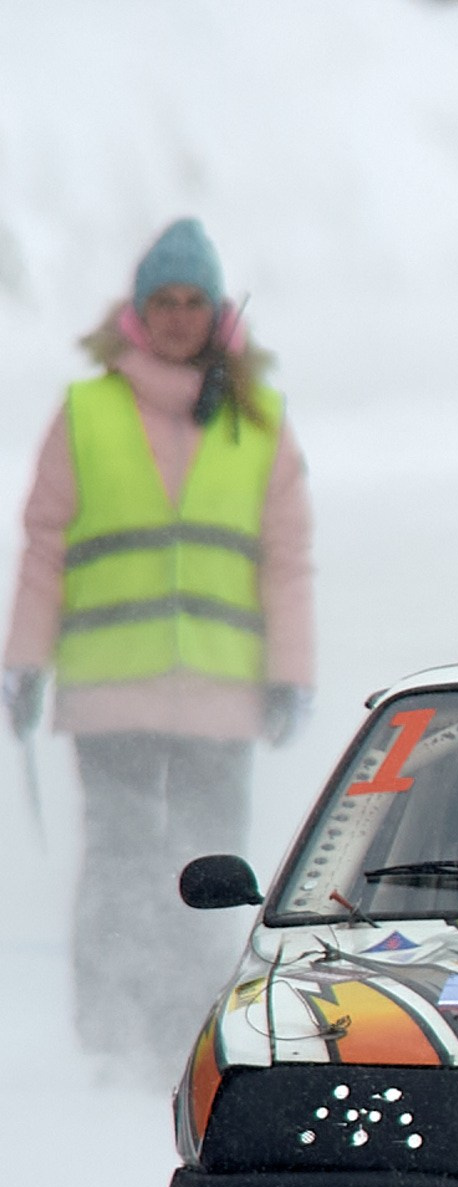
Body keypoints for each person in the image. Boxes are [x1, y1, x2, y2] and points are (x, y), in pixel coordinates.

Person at [3, 218, 315, 1060]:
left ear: (217, 312)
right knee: (122, 861)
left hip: (222, 694)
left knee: (208, 868)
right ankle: (111, 1030)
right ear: (138, 314)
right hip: (112, 695)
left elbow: (286, 561)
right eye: (164, 302)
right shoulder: (87, 413)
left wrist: (290, 672)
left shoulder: (259, 419)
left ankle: (190, 1027)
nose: (179, 317)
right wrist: (24, 662)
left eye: (192, 301)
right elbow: (44, 549)